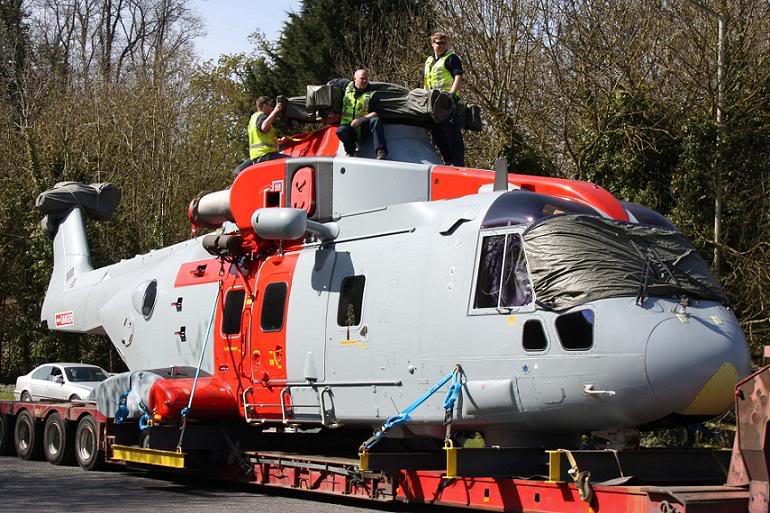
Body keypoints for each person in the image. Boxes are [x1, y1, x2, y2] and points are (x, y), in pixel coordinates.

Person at [424, 32, 465, 167]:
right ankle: (448, 160)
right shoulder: (429, 61)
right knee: (437, 132)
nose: (441, 46)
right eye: (438, 43)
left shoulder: (451, 58)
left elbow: (458, 77)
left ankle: (457, 163)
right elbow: (426, 80)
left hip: (447, 100)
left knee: (451, 131)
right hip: (432, 101)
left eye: (444, 43)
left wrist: (451, 94)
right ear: (432, 44)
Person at [336, 69, 388, 159]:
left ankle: (381, 151)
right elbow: (331, 83)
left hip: (364, 128)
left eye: (366, 79)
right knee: (340, 130)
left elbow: (376, 113)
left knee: (376, 120)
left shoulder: (372, 93)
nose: (364, 81)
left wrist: (362, 119)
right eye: (361, 78)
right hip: (350, 128)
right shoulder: (345, 86)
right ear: (354, 79)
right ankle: (350, 151)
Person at [234, 96, 288, 175]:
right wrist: (275, 111)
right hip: (265, 156)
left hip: (259, 157)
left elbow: (261, 137)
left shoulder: (253, 118)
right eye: (271, 105)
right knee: (295, 164)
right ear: (264, 106)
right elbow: (264, 128)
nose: (272, 108)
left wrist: (278, 141)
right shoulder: (261, 116)